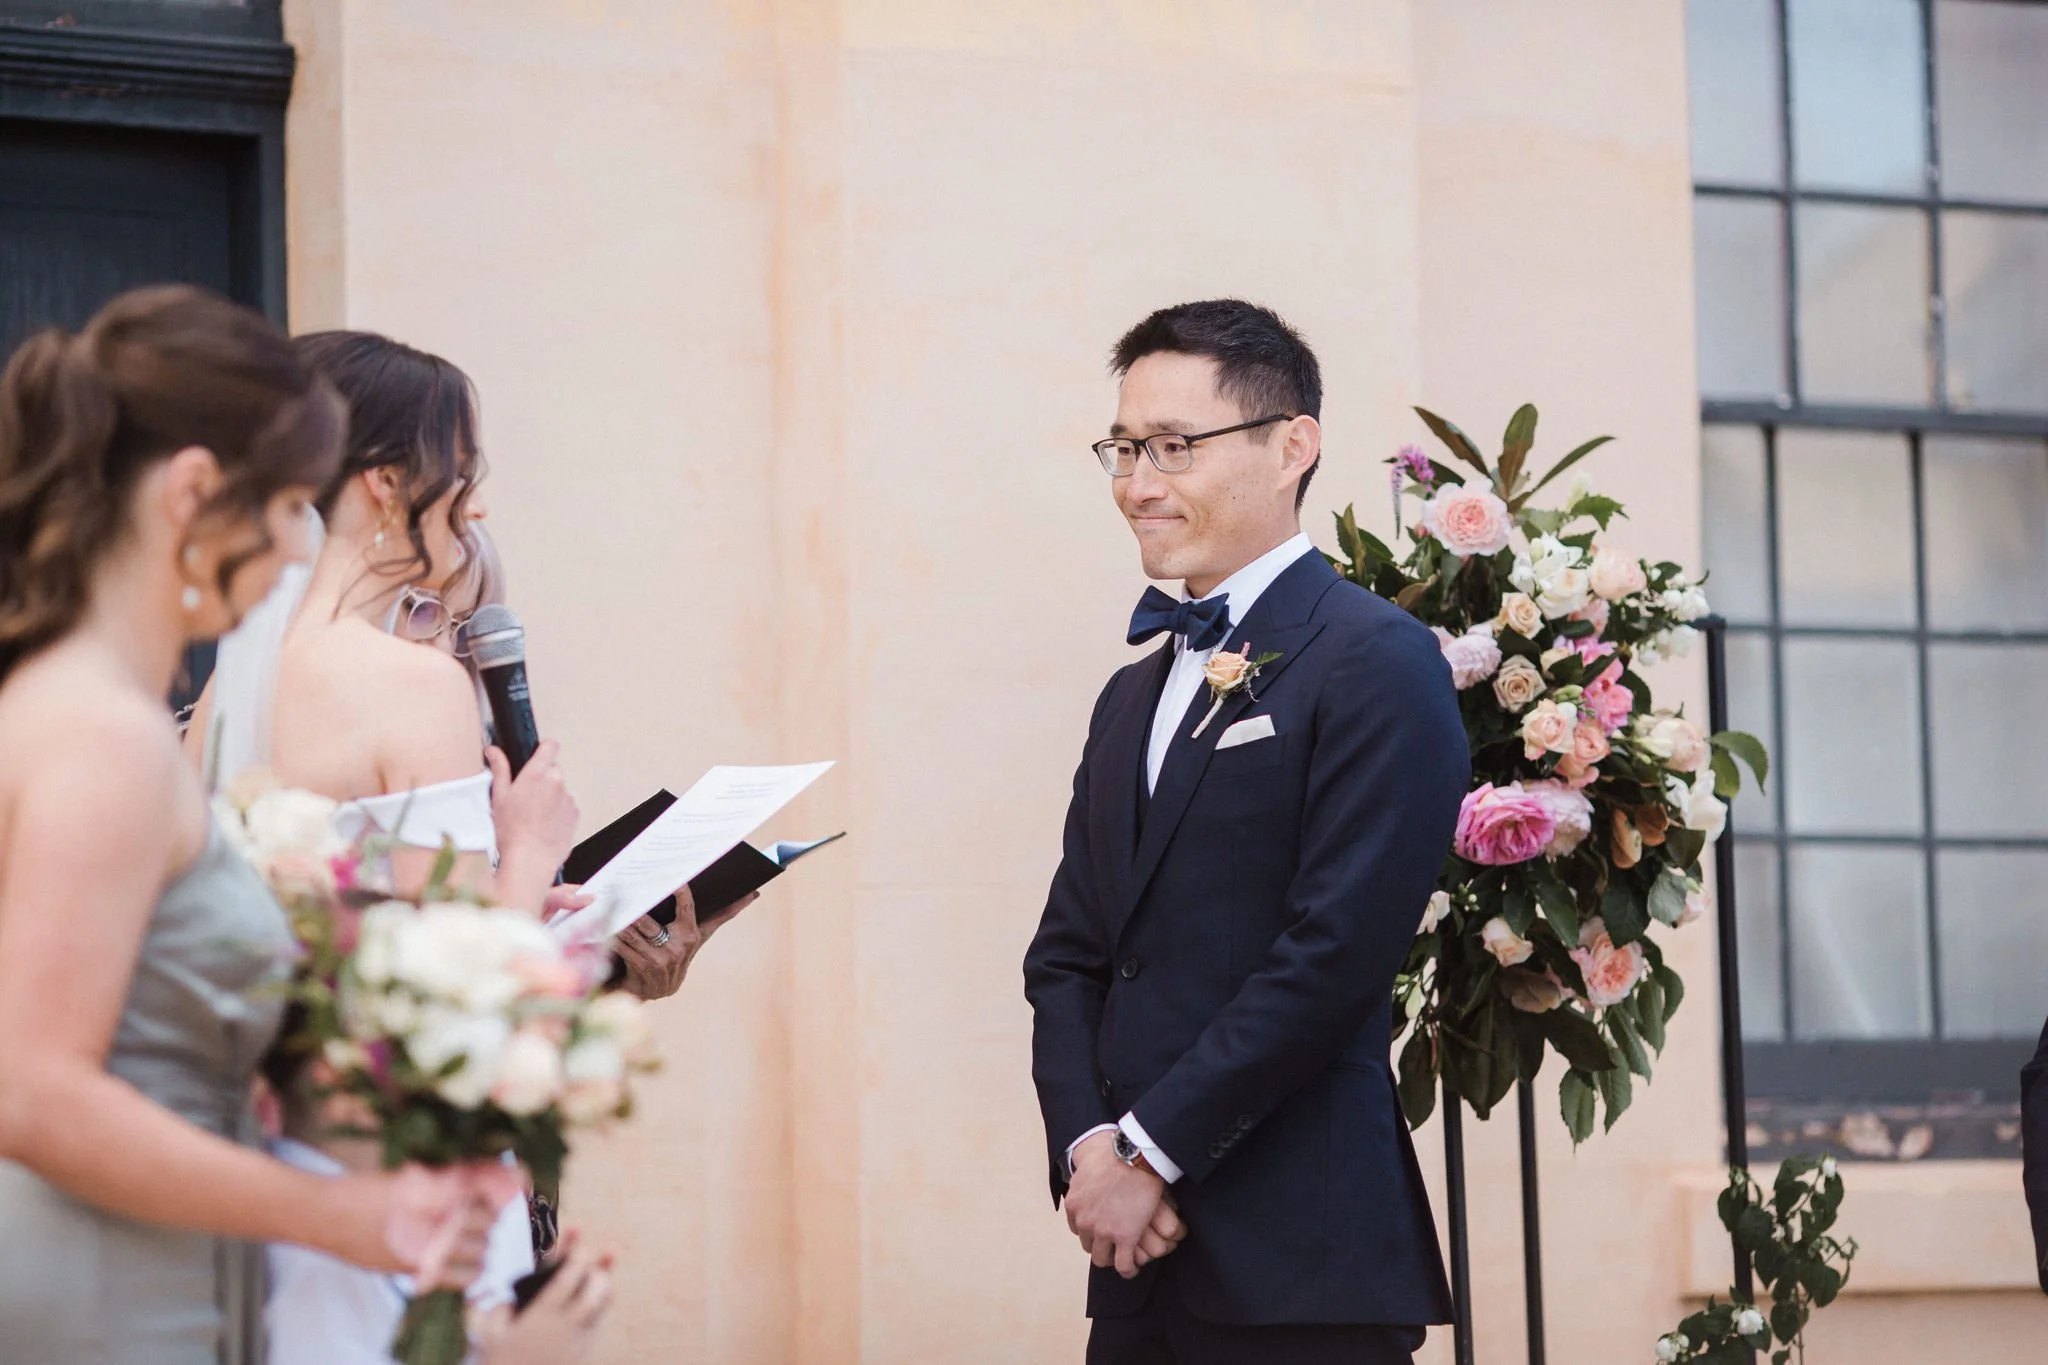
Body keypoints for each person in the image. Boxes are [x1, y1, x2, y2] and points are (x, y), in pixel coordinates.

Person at [0, 285, 500, 1365]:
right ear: (190, 493)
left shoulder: (80, 709)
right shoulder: (105, 739)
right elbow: (30, 1089)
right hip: (108, 1288)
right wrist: (340, 1217)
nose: (293, 555)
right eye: (285, 512)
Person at [1022, 299, 1470, 1365]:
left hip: (1304, 1262)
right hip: (1135, 1267)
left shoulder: (1375, 658)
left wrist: (1151, 1155)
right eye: (1123, 449)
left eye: (1174, 447)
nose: (1137, 482)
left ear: (1290, 446)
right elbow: (1070, 958)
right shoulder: (1130, 695)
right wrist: (1090, 1153)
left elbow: (1334, 956)